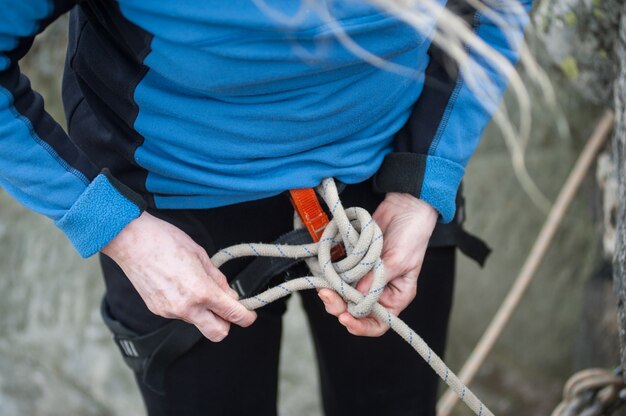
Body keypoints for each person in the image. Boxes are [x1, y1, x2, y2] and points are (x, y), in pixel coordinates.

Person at [0, 0, 532, 415]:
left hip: (389, 182)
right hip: (172, 210)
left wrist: (424, 184)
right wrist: (117, 230)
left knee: (392, 407)